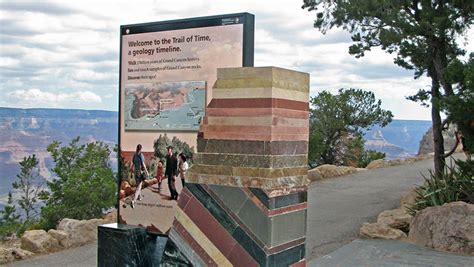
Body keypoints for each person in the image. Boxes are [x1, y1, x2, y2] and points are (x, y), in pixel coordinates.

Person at [130, 144, 149, 209]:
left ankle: (139, 197)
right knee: (138, 187)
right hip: (140, 173)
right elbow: (143, 165)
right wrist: (147, 172)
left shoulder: (134, 155)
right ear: (141, 149)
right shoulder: (141, 155)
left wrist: (131, 170)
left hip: (135, 172)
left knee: (138, 185)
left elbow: (132, 164)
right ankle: (133, 201)